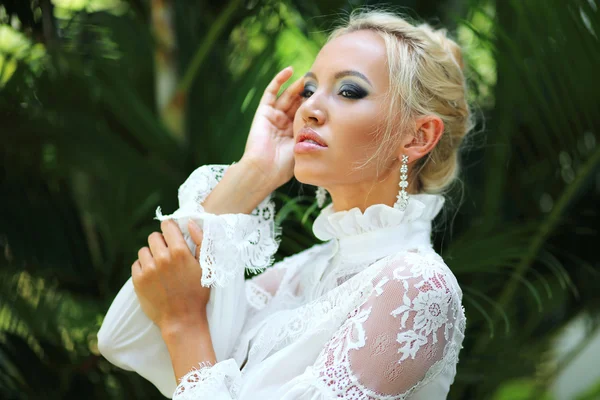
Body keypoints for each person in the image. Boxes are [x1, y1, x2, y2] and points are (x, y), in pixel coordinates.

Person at [97, 9, 473, 400]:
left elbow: (170, 324)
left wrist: (185, 324)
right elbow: (122, 336)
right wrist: (254, 173)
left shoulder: (415, 285)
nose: (308, 109)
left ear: (417, 137)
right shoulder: (302, 274)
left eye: (348, 91)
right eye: (309, 90)